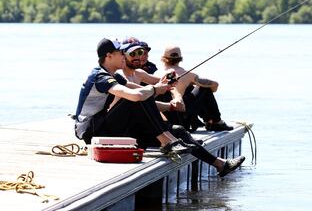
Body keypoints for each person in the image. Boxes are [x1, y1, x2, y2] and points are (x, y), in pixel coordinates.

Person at [116, 39, 246, 177]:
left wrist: (176, 94)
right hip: (130, 128)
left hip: (149, 122)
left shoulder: (140, 74)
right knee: (181, 124)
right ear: (123, 56)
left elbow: (165, 85)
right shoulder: (121, 78)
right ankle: (213, 139)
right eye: (133, 53)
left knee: (179, 130)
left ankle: (219, 163)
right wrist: (170, 106)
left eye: (140, 52)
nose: (138, 56)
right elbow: (146, 98)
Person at [74, 38, 194, 154]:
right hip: (91, 132)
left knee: (142, 95)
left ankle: (169, 140)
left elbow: (140, 90)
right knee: (136, 98)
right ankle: (167, 141)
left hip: (100, 124)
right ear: (109, 56)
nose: (124, 56)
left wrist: (164, 84)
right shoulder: (101, 77)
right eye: (121, 53)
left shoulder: (113, 75)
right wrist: (155, 89)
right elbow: (135, 95)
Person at [158, 45, 234, 132]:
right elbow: (215, 85)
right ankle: (216, 122)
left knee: (190, 89)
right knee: (204, 89)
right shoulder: (187, 74)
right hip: (180, 117)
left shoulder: (156, 73)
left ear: (163, 58)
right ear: (180, 58)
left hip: (164, 118)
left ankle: (208, 121)